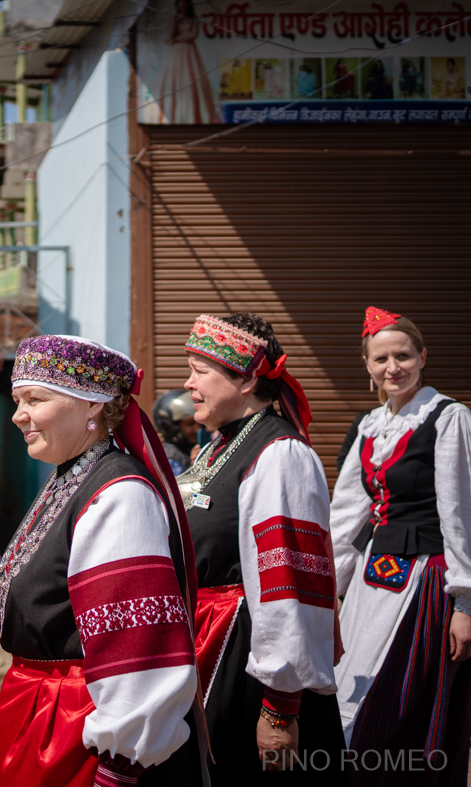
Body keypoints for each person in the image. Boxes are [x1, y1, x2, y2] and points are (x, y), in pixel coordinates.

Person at [0, 335, 204, 787]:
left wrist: (119, 764)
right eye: (18, 400)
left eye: (35, 399)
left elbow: (139, 648)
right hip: (40, 711)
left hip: (78, 726)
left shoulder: (119, 494)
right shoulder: (71, 478)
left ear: (92, 405)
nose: (19, 415)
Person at [177, 313, 347, 782]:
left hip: (248, 661)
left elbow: (290, 583)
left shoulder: (280, 455)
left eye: (199, 369)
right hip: (211, 640)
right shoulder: (219, 446)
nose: (188, 383)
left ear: (248, 378)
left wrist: (280, 708)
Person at [330, 307, 471, 784]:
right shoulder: (368, 426)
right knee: (352, 687)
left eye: (403, 355)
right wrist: (325, 589)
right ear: (367, 365)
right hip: (374, 579)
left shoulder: (449, 418)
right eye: (381, 358)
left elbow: (460, 514)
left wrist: (465, 602)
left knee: (401, 699)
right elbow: (346, 516)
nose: (393, 367)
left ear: (423, 357)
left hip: (427, 577)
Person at [157, 0, 221, 124]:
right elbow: (169, 34)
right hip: (175, 54)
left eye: (184, 1)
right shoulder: (173, 19)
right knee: (174, 82)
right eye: (180, 2)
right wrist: (176, 19)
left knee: (192, 82)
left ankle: (195, 116)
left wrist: (176, 39)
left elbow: (193, 34)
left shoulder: (193, 18)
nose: (182, 4)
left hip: (189, 52)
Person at [154, 388, 201, 475]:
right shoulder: (172, 460)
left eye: (199, 423)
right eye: (190, 424)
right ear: (171, 427)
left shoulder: (190, 450)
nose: (197, 429)